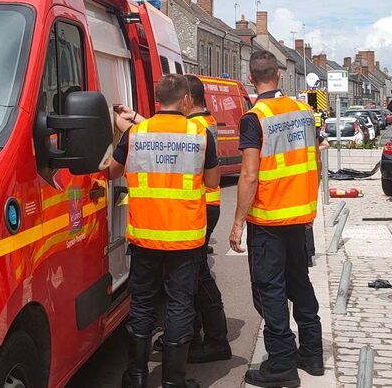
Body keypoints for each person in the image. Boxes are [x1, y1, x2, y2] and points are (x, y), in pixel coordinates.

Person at [102, 74, 219, 388]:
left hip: (145, 234)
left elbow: (112, 172)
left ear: (157, 101)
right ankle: (172, 381)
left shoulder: (137, 133)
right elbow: (212, 182)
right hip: (185, 236)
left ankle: (137, 377)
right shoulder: (200, 134)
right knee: (180, 303)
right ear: (184, 100)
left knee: (141, 302)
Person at [229, 50, 323, 387]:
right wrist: (309, 204)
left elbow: (249, 175)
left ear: (252, 79)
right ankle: (312, 354)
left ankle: (282, 364)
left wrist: (238, 221)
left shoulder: (254, 117)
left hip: (268, 219)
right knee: (300, 283)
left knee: (271, 289)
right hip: (299, 216)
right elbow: (316, 162)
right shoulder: (303, 110)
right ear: (280, 76)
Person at [184, 75, 231, 364]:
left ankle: (215, 340)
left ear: (186, 99)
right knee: (193, 274)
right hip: (206, 204)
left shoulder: (196, 127)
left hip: (201, 203)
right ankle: (195, 334)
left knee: (197, 275)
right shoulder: (205, 121)